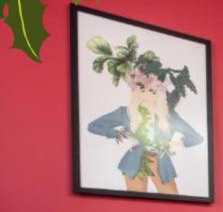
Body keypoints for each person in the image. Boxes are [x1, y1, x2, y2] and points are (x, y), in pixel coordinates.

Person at [87, 67, 203, 195]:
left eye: (153, 91)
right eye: (142, 89)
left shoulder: (171, 117)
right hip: (135, 163)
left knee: (172, 198)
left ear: (160, 92)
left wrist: (172, 144)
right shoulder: (126, 113)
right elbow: (93, 126)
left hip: (161, 164)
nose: (147, 94)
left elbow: (196, 138)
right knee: (135, 202)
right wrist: (114, 133)